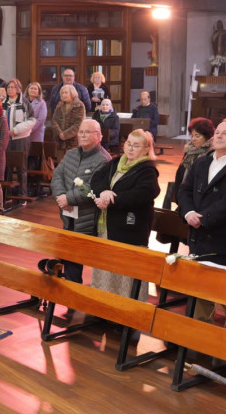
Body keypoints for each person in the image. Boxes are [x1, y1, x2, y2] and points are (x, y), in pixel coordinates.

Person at [177, 120, 226, 332]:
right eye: (217, 133)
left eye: (225, 134)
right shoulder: (201, 162)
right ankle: (200, 335)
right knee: (201, 290)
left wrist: (204, 218)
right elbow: (184, 190)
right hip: (199, 236)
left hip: (224, 238)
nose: (218, 136)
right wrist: (189, 212)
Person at [89, 129, 159, 300]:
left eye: (136, 145)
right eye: (129, 143)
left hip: (130, 228)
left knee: (126, 273)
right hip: (108, 225)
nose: (131, 148)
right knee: (106, 269)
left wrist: (112, 200)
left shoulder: (147, 169)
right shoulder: (116, 162)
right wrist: (104, 192)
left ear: (146, 149)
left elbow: (145, 192)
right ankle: (105, 306)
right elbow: (96, 179)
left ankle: (128, 311)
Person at [50, 119, 112, 285]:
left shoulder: (103, 159)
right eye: (81, 132)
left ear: (98, 136)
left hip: (87, 217)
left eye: (88, 132)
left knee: (75, 257)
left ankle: (74, 294)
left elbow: (94, 187)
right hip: (68, 214)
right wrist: (61, 196)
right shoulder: (71, 154)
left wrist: (68, 198)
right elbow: (57, 176)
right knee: (68, 255)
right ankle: (68, 291)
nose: (83, 135)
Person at [3, 79, 36, 194]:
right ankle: (6, 194)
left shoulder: (24, 102)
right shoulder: (2, 102)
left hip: (21, 138)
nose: (10, 89)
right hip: (6, 138)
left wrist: (15, 130)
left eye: (13, 87)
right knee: (7, 167)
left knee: (21, 167)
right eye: (8, 87)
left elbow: (32, 120)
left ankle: (22, 194)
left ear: (18, 89)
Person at [175, 117, 214, 187]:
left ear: (207, 136)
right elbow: (180, 175)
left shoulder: (211, 154)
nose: (193, 139)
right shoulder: (189, 150)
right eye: (192, 136)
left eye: (197, 136)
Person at [50, 84, 86, 160]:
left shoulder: (79, 105)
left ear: (72, 93)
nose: (63, 95)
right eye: (62, 93)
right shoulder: (59, 105)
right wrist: (60, 133)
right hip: (60, 142)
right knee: (61, 165)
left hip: (73, 142)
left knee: (71, 166)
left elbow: (78, 124)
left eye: (66, 93)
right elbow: (54, 120)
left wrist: (65, 135)